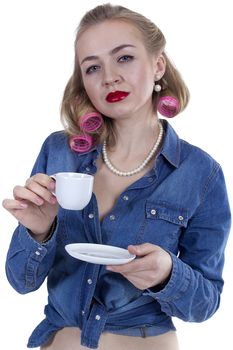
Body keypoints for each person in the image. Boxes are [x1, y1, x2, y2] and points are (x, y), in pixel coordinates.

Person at [2, 3, 231, 350]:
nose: (109, 76)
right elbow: (21, 282)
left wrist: (168, 273)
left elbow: (205, 304)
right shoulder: (59, 151)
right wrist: (38, 230)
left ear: (158, 65)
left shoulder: (202, 173)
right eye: (93, 67)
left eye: (124, 58)